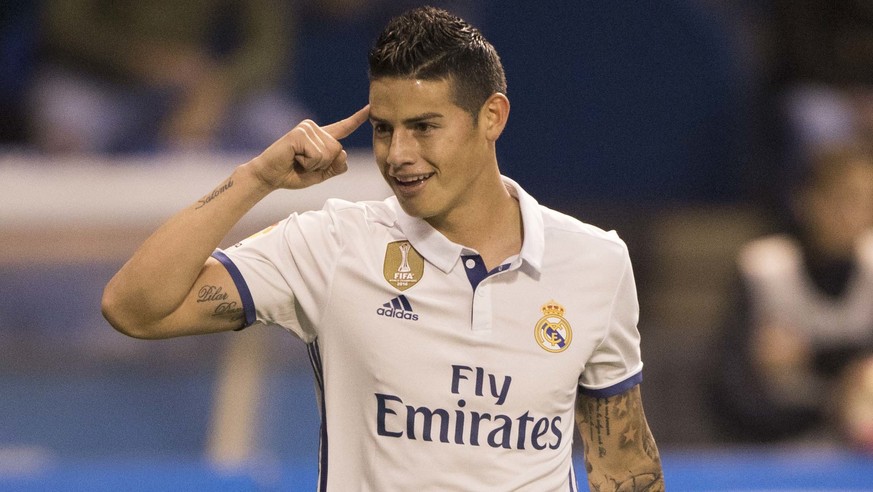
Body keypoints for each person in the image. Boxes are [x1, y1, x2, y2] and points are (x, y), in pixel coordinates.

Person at [102, 7, 663, 490]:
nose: (398, 154)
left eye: (424, 127)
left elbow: (624, 464)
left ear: (492, 117)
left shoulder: (596, 262)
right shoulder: (332, 244)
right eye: (385, 129)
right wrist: (256, 177)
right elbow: (133, 307)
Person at [710, 142, 873, 444]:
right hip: (777, 449)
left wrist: (810, 356)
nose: (856, 216)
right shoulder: (763, 268)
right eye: (844, 200)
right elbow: (730, 387)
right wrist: (827, 407)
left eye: (867, 203)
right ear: (806, 201)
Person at [27, 0, 305, 154]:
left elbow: (268, 45)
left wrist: (219, 88)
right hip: (100, 82)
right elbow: (64, 27)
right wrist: (138, 59)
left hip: (192, 84)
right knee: (67, 131)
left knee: (287, 133)